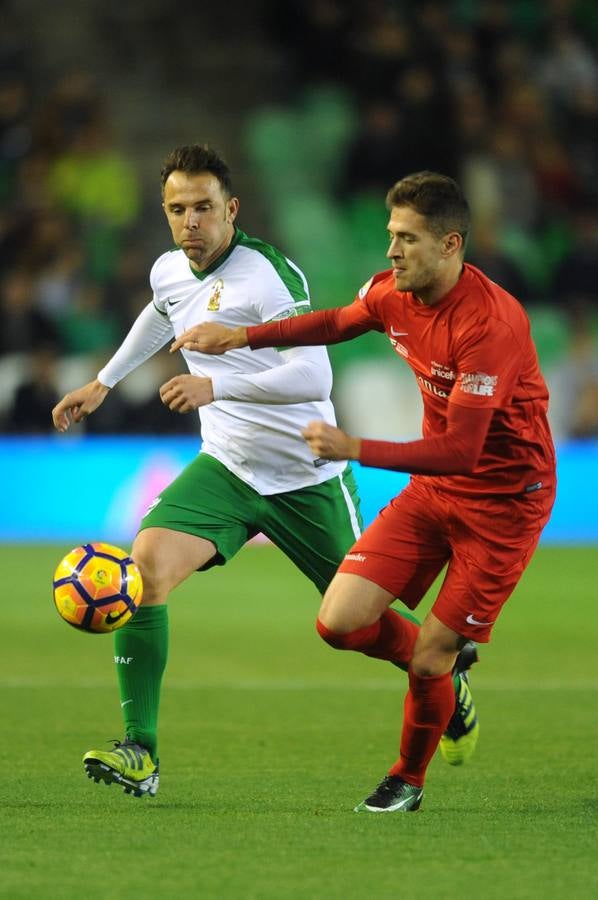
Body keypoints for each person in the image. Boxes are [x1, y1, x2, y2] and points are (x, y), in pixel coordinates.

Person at [51, 148, 478, 800]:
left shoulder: (267, 277)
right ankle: (141, 752)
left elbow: (313, 373)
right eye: (177, 210)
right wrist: (104, 382)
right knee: (145, 570)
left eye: (202, 208)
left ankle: (442, 669)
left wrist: (214, 390)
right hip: (226, 466)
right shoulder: (170, 269)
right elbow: (162, 311)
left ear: (231, 209)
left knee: (358, 623)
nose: (190, 222)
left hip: (305, 474)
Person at [173, 171, 556, 813]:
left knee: (430, 657)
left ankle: (408, 778)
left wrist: (358, 448)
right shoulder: (392, 293)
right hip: (435, 493)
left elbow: (463, 451)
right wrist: (243, 336)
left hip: (503, 506)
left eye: (406, 239)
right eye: (390, 236)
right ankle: (446, 666)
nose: (391, 251)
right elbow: (336, 322)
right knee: (340, 620)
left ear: (451, 244)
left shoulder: (492, 325)